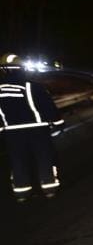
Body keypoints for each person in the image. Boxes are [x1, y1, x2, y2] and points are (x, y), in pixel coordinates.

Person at [0, 66, 64, 201]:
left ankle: (22, 193)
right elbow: (47, 105)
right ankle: (49, 189)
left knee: (18, 161)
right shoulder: (33, 86)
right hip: (37, 129)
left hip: (12, 132)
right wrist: (58, 122)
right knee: (44, 158)